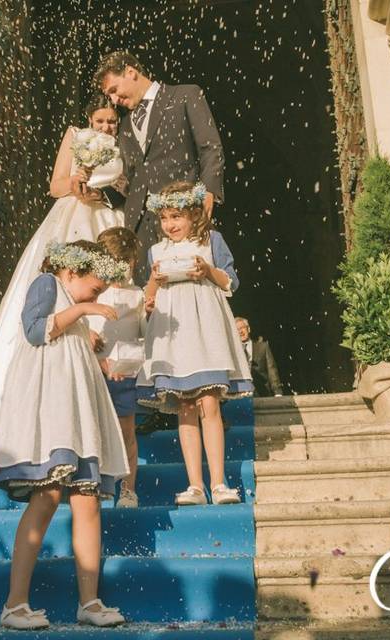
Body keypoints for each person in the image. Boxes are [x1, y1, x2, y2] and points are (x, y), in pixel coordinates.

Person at [0, 240, 130, 630]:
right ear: (71, 271)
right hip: (53, 415)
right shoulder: (47, 283)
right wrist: (83, 308)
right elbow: (34, 331)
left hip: (79, 416)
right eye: (95, 288)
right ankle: (15, 603)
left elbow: (68, 346)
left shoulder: (74, 308)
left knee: (87, 501)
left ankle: (89, 601)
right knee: (47, 496)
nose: (97, 296)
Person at [0, 96, 127, 423]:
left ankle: (111, 376)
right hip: (71, 214)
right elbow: (54, 186)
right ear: (89, 118)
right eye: (100, 121)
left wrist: (105, 194)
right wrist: (75, 183)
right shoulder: (75, 136)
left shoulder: (124, 145)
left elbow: (128, 186)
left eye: (111, 121)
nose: (106, 127)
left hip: (106, 220)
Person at [137, 181, 252, 506]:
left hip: (206, 331)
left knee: (210, 403)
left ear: (193, 214)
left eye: (176, 217)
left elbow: (231, 282)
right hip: (175, 338)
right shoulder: (157, 251)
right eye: (164, 218)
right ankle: (195, 485)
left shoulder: (211, 241)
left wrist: (207, 270)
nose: (170, 225)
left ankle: (218, 483)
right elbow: (149, 299)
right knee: (185, 407)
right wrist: (152, 286)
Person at [94, 51, 225, 284]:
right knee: (148, 299)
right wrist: (99, 194)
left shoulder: (185, 95)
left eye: (114, 89)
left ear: (131, 72)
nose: (113, 100)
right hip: (139, 228)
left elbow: (210, 148)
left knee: (186, 287)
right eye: (108, 95)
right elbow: (131, 180)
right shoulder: (124, 126)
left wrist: (209, 191)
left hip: (181, 216)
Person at [88, 227, 146, 509]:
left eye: (127, 263)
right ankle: (97, 483)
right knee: (96, 430)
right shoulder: (92, 294)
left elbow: (145, 333)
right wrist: (90, 341)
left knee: (126, 433)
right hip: (96, 373)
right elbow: (80, 326)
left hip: (126, 371)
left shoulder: (138, 295)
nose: (121, 269)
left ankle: (128, 489)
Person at [235, 317, 284, 397]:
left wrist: (277, 392)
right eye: (237, 330)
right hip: (241, 395)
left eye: (242, 328)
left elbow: (272, 370)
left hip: (262, 393)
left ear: (249, 329)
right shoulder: (233, 351)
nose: (240, 332)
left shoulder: (263, 347)